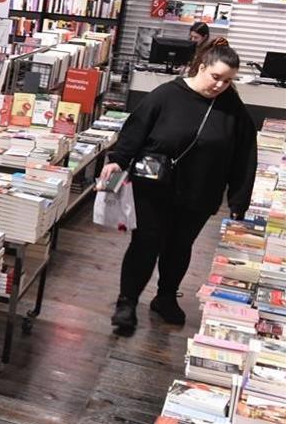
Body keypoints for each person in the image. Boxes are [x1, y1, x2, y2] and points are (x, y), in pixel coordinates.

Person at [99, 38, 257, 336]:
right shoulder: (166, 95)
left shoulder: (232, 109)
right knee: (146, 242)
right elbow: (137, 128)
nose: (220, 85)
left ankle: (166, 296)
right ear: (202, 66)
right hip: (154, 186)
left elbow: (244, 154)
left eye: (227, 81)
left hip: (201, 190)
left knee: (179, 246)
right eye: (216, 77)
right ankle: (127, 303)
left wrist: (239, 199)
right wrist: (119, 159)